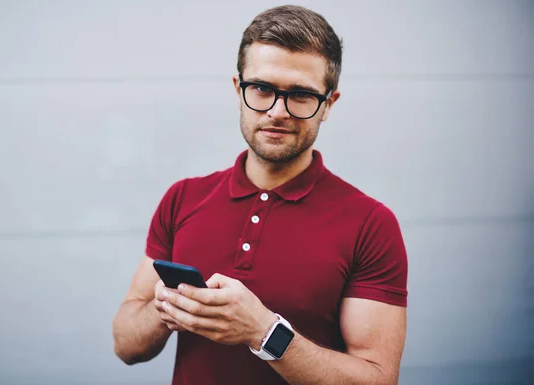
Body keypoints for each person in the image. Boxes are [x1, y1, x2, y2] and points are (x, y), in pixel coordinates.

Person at [112, 5, 408, 385]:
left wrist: (264, 332)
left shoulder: (371, 224)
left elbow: (378, 379)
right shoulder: (182, 198)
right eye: (262, 89)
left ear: (328, 104)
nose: (277, 111)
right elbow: (125, 344)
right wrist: (169, 306)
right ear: (239, 90)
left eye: (300, 94)